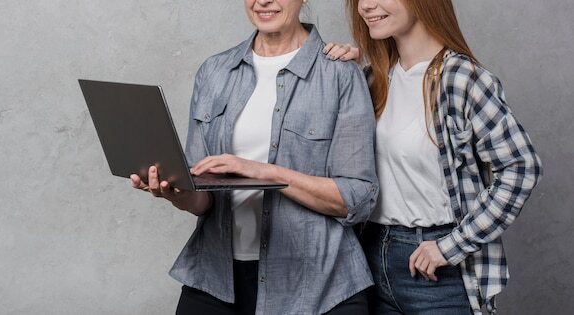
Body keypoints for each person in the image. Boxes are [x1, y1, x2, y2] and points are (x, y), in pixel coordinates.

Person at [130, 0, 379, 314]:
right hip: (218, 277)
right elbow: (202, 200)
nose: (263, 1)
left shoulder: (340, 74)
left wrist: (261, 172)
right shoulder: (215, 71)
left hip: (316, 284)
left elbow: (357, 198)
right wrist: (174, 191)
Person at [324, 0, 543, 314]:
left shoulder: (462, 79)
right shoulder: (373, 79)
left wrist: (450, 246)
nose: (366, 6)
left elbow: (521, 168)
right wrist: (340, 75)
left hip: (437, 275)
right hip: (369, 260)